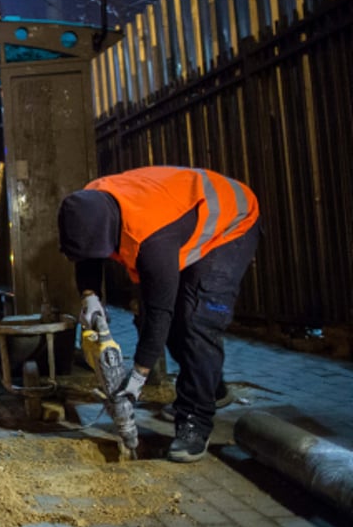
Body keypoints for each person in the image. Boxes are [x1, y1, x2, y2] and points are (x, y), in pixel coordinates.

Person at [57, 166, 260, 463]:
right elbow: (88, 256)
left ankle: (195, 420)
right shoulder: (90, 203)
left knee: (196, 320)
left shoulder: (153, 241)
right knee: (161, 319)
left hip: (232, 219)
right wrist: (89, 297)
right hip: (180, 215)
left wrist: (137, 378)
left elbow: (159, 314)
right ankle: (208, 387)